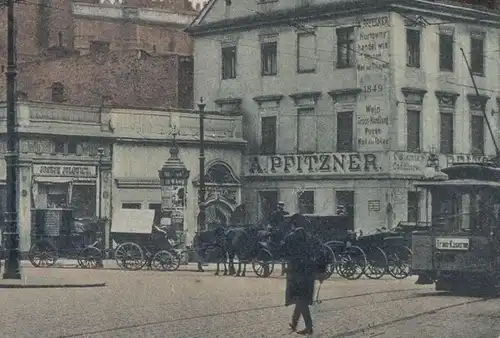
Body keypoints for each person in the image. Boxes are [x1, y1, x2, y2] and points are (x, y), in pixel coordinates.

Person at [283, 227, 327, 335]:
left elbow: (287, 255)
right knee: (300, 301)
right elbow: (322, 256)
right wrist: (321, 272)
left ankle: (309, 327)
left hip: (297, 277)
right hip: (308, 276)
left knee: (301, 302)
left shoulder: (293, 242)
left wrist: (287, 269)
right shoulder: (311, 242)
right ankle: (294, 323)